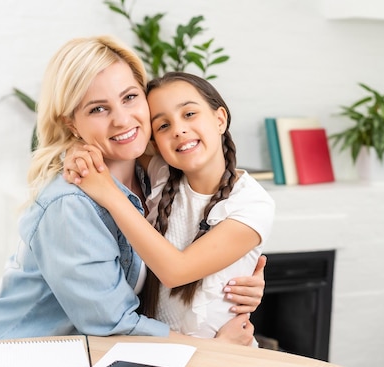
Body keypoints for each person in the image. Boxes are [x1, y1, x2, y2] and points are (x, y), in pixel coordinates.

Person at [0, 36, 264, 345]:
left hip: (77, 360)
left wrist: (238, 280)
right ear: (71, 123)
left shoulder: (155, 177)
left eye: (129, 97)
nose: (122, 119)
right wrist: (214, 350)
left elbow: (188, 249)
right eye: (98, 109)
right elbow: (113, 324)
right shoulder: (70, 204)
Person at [66, 72, 275, 341]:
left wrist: (108, 192)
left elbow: (175, 271)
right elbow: (117, 138)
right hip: (163, 352)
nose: (178, 129)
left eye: (189, 114)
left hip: (224, 353)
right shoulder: (162, 174)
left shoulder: (252, 204)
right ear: (155, 142)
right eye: (162, 126)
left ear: (220, 119)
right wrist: (75, 150)